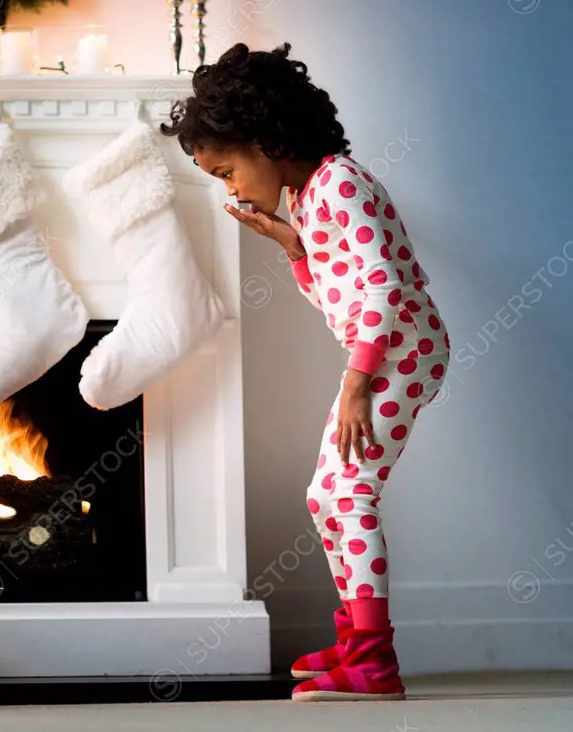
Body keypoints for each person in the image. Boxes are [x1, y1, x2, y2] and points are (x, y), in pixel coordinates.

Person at [160, 42, 451, 701]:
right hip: (384, 351)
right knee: (327, 494)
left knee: (349, 494)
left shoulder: (339, 183)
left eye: (227, 170)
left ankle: (374, 664)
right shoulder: (311, 198)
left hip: (400, 350)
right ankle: (355, 643)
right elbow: (339, 298)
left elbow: (381, 296)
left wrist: (356, 385)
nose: (230, 188)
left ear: (266, 139)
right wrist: (294, 249)